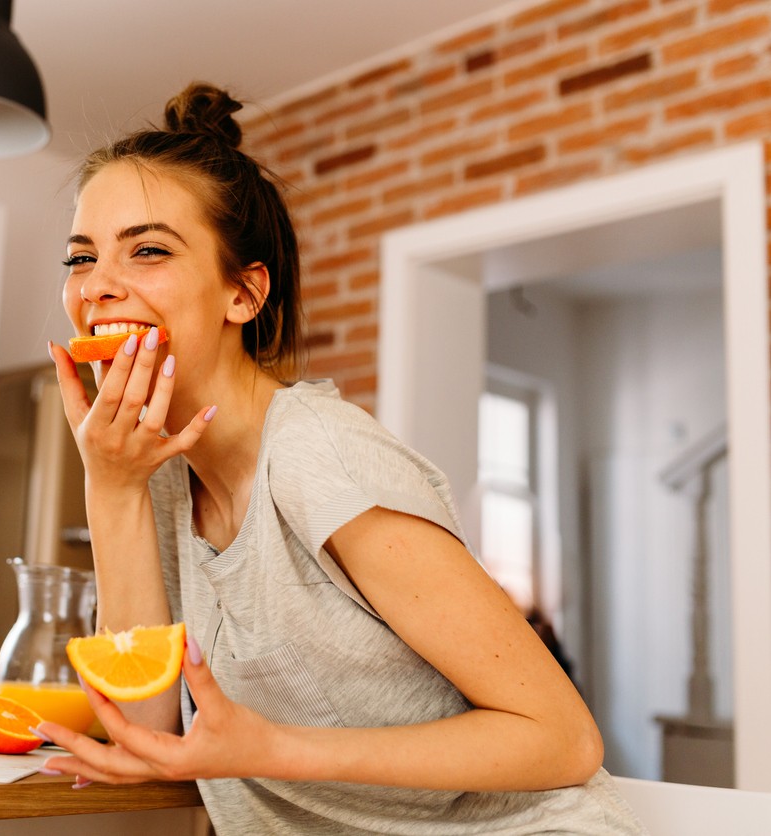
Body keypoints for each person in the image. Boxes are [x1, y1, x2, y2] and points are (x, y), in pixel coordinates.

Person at [37, 82, 645, 834]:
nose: (97, 286)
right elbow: (142, 725)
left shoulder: (317, 452)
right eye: (81, 257)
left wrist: (270, 749)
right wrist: (111, 486)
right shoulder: (156, 474)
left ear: (243, 294)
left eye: (149, 250)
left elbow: (562, 737)